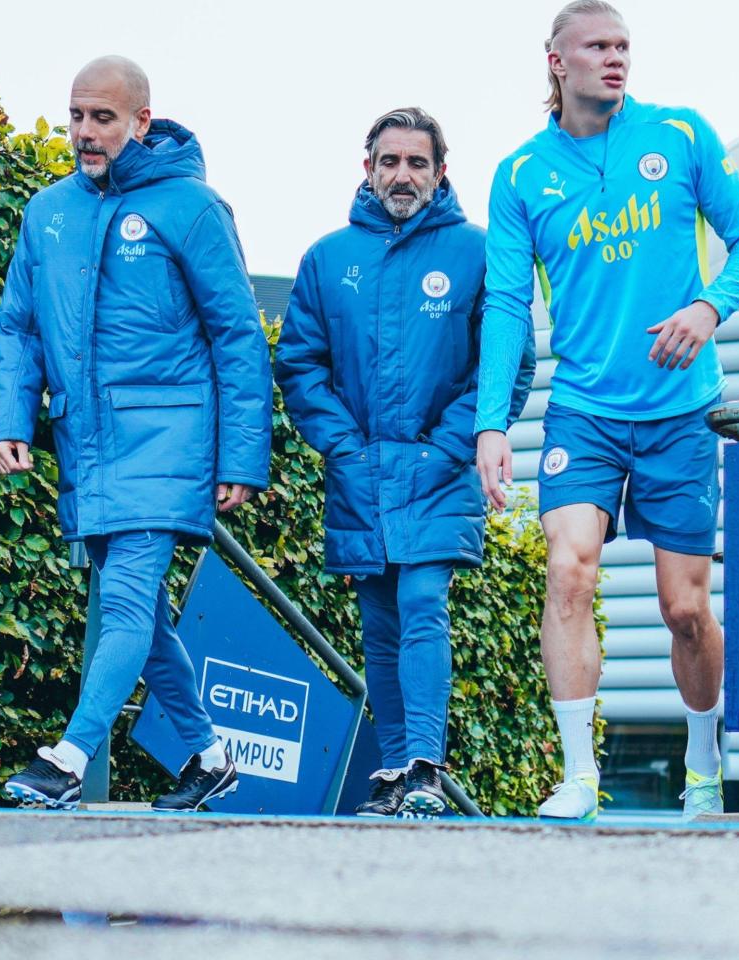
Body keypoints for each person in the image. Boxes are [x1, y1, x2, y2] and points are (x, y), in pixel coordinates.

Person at [474, 1, 739, 822]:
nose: (615, 60)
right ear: (556, 61)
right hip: (584, 411)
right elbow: (505, 303)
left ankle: (705, 771)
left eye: (623, 47)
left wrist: (708, 308)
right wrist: (491, 422)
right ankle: (579, 778)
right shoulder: (518, 175)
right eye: (598, 47)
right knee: (568, 569)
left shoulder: (679, 135)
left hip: (682, 410)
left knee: (685, 608)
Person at [0, 56, 272, 812]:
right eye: (77, 115)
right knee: (141, 620)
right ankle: (211, 759)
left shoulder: (193, 207)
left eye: (103, 118)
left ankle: (68, 758)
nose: (85, 132)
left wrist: (242, 454)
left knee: (121, 601)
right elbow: (16, 326)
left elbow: (239, 336)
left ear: (142, 122)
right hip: (86, 442)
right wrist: (10, 420)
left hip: (170, 439)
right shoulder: (46, 211)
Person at [275, 108, 534, 819]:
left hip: (441, 470)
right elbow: (299, 365)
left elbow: (505, 366)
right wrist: (344, 447)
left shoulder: (479, 252)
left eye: (417, 163)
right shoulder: (328, 259)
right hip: (360, 475)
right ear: (367, 168)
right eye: (389, 161)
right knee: (379, 627)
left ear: (441, 173)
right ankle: (394, 775)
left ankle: (423, 766)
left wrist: (450, 444)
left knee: (424, 605)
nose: (402, 175)